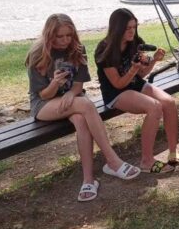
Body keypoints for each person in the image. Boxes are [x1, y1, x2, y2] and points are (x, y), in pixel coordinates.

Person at [27, 13, 140, 202]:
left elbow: (78, 85)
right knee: (86, 105)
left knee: (80, 119)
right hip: (45, 103)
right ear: (49, 35)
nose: (65, 40)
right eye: (60, 36)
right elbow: (43, 95)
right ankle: (112, 160)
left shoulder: (77, 49)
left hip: (73, 98)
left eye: (69, 35)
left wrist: (71, 93)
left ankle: (88, 180)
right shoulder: (38, 54)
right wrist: (55, 84)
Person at [95, 8, 179, 173]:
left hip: (135, 84)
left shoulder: (135, 42)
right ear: (117, 28)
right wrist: (133, 70)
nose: (132, 31)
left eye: (134, 27)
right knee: (155, 107)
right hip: (116, 93)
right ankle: (147, 161)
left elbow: (141, 73)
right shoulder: (105, 49)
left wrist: (154, 60)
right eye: (127, 28)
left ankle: (173, 152)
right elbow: (118, 84)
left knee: (169, 102)